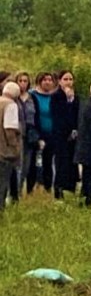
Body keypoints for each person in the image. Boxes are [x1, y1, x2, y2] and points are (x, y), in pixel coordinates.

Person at [9, 72, 40, 201]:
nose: (23, 83)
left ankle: (22, 191)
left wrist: (39, 135)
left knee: (27, 165)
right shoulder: (13, 99)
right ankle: (15, 194)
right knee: (18, 165)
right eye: (20, 81)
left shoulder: (32, 98)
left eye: (25, 81)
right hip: (18, 135)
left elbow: (37, 117)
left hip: (30, 134)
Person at [50, 70, 80, 199]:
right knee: (61, 162)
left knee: (72, 162)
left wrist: (76, 129)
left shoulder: (76, 97)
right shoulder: (56, 96)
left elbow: (77, 114)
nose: (68, 82)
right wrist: (67, 100)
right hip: (60, 134)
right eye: (65, 79)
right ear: (60, 81)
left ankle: (71, 188)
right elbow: (58, 115)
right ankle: (59, 190)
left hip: (73, 134)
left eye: (70, 79)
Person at [29, 72, 56, 192]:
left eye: (50, 80)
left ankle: (48, 187)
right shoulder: (33, 96)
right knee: (33, 161)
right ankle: (30, 187)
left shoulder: (54, 97)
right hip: (37, 132)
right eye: (45, 80)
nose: (47, 82)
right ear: (39, 81)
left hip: (51, 133)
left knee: (48, 161)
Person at [0, 82, 22, 211]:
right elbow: (9, 128)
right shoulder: (11, 105)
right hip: (4, 151)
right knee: (2, 183)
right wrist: (15, 148)